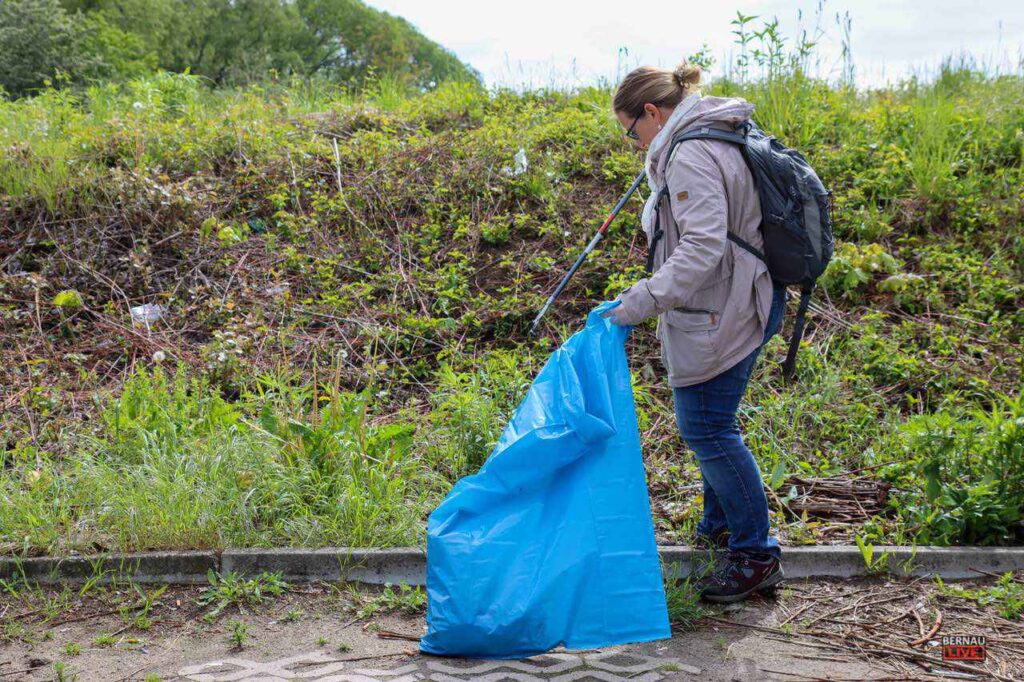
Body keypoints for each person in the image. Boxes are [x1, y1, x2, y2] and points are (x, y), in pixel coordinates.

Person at [601, 59, 788, 603]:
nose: (633, 143)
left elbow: (702, 247)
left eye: (630, 130)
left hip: (726, 303)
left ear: (652, 113)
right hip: (733, 297)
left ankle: (756, 556)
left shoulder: (689, 152)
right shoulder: (705, 139)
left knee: (707, 427)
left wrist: (643, 300)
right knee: (711, 423)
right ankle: (720, 531)